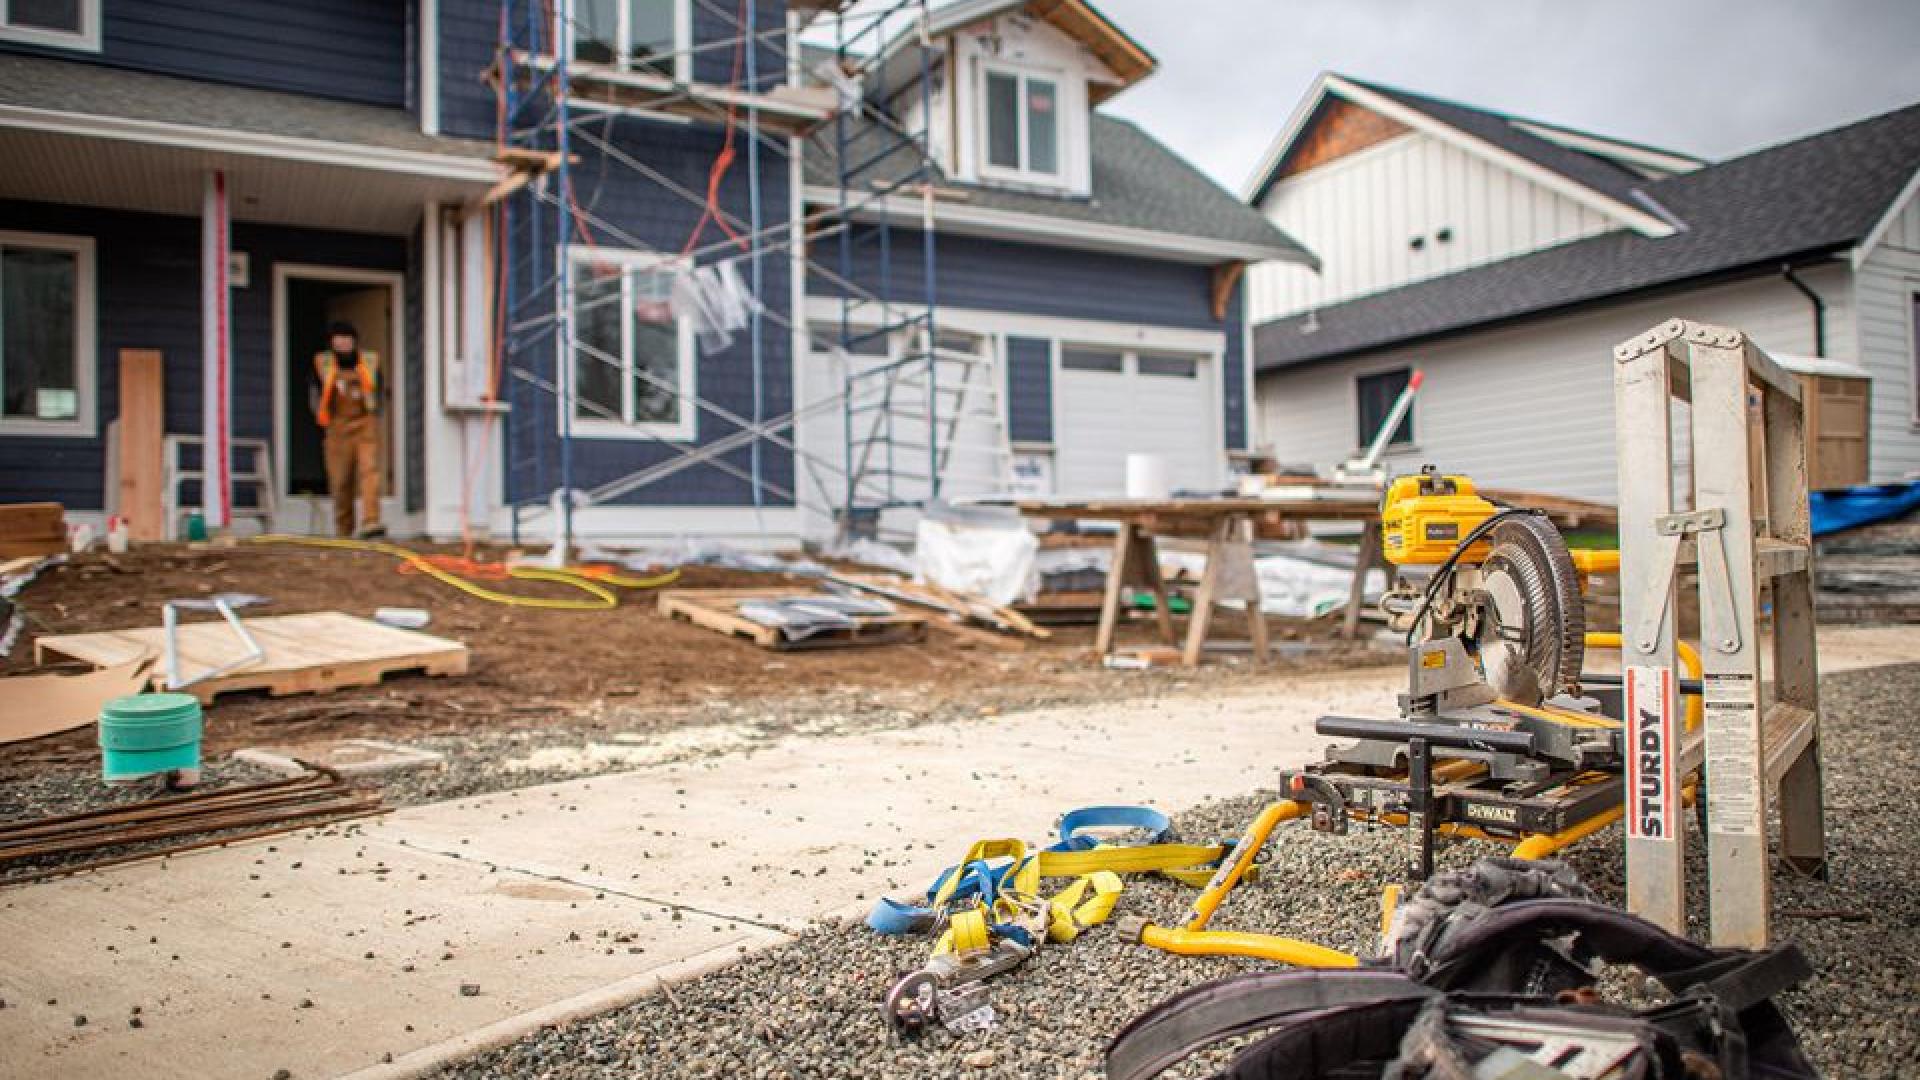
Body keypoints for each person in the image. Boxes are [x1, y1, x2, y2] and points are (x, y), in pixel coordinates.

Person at [310, 321, 385, 538]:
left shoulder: (369, 362)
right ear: (332, 342)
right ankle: (344, 531)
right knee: (341, 481)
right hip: (336, 426)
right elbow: (314, 392)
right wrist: (320, 416)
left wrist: (376, 411)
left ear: (354, 341)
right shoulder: (322, 363)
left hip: (365, 424)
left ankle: (371, 521)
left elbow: (379, 391)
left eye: (347, 338)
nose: (343, 342)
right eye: (338, 338)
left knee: (369, 470)